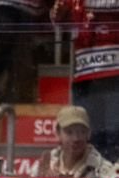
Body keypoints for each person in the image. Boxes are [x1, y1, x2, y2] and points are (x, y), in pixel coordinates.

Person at [51, 0, 119, 161]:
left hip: (114, 76)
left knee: (113, 135)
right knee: (89, 136)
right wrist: (57, 15)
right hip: (84, 76)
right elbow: (59, 23)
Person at [36, 105, 117, 178]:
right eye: (69, 132)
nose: (76, 138)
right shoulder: (46, 166)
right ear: (58, 135)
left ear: (88, 133)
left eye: (81, 131)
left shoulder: (103, 171)